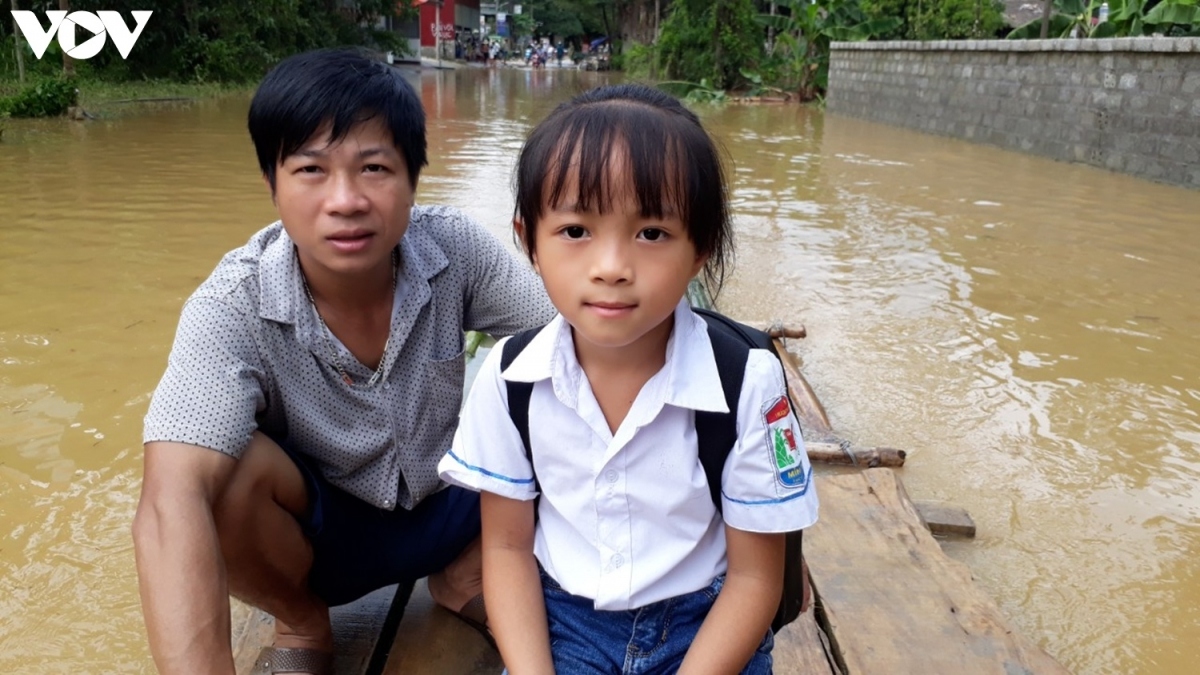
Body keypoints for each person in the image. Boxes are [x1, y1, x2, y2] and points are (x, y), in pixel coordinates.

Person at [131, 48, 555, 675]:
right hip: (325, 542)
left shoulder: (454, 249)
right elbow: (169, 506)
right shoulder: (230, 307)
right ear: (271, 184)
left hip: (459, 504)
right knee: (216, 473)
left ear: (413, 178)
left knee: (568, 381)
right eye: (310, 170)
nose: (346, 200)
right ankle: (301, 621)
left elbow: (582, 330)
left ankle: (465, 578)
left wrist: (717, 342)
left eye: (374, 168)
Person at [438, 84, 819, 674]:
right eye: (574, 231)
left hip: (706, 627)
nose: (612, 268)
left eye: (651, 234)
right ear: (528, 240)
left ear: (700, 250)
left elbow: (753, 577)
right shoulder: (510, 378)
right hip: (568, 621)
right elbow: (508, 548)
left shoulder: (746, 382)